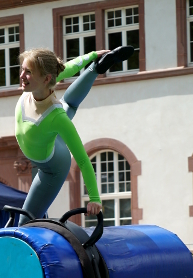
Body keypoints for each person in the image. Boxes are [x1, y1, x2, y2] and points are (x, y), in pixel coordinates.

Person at [15, 45, 134, 225]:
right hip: (48, 138)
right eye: (22, 69)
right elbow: (68, 68)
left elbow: (83, 160)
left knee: (24, 222)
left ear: (46, 79)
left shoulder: (58, 117)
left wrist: (95, 198)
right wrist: (93, 55)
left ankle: (95, 68)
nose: (22, 76)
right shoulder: (37, 85)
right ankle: (97, 67)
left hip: (52, 168)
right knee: (68, 104)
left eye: (28, 72)